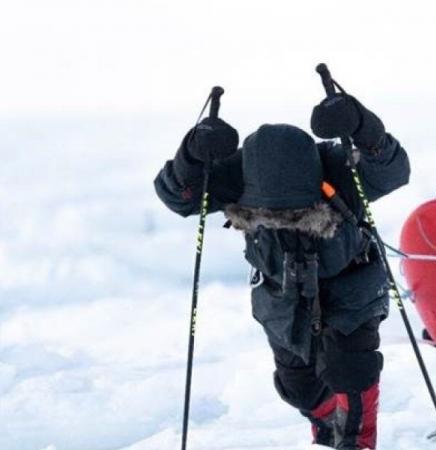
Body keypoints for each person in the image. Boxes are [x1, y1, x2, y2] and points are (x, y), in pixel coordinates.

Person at [154, 92, 410, 450]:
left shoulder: (337, 168)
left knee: (350, 371)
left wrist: (360, 124)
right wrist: (193, 153)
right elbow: (176, 195)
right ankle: (328, 427)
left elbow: (392, 168)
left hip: (352, 284)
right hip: (281, 294)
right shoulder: (236, 172)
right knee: (298, 386)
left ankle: (356, 443)